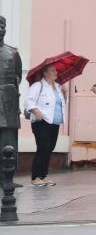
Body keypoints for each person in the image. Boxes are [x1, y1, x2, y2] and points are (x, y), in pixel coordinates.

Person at [25, 64, 64, 186]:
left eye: (55, 70)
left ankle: (44, 176)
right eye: (52, 70)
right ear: (45, 73)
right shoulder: (38, 85)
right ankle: (35, 177)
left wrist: (65, 94)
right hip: (42, 122)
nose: (55, 72)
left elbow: (60, 105)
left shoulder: (58, 87)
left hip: (54, 122)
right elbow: (28, 101)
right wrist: (36, 111)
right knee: (42, 148)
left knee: (49, 148)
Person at [0, 17, 21, 172]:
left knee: (8, 141)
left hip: (9, 104)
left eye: (2, 27)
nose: (0, 30)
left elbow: (17, 78)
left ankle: (7, 175)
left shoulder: (13, 53)